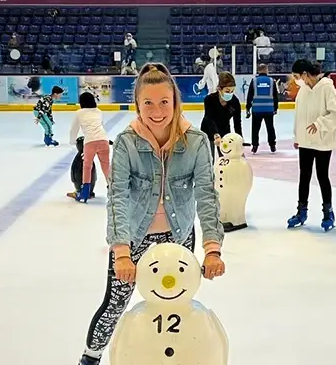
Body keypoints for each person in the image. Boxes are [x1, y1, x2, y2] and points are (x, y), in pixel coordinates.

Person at [77, 63, 225, 365]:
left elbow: (206, 195)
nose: (156, 111)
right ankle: (90, 359)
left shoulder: (196, 142)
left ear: (175, 102)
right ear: (137, 105)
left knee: (176, 303)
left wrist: (212, 249)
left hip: (179, 233)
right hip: (133, 235)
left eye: (164, 102)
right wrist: (121, 252)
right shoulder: (125, 144)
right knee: (115, 304)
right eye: (148, 103)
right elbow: (117, 196)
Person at [286, 59, 336, 232]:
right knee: (304, 176)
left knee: (322, 176)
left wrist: (319, 124)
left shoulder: (326, 87)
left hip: (323, 141)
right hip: (305, 141)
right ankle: (301, 211)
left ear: (304, 74)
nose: (295, 80)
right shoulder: (303, 90)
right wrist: (297, 135)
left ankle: (328, 213)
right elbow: (299, 114)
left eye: (297, 76)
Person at [69, 92, 111, 202]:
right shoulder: (99, 112)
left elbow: (74, 129)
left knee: (87, 167)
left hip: (90, 141)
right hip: (103, 140)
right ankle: (113, 189)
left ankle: (85, 192)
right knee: (106, 166)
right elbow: (101, 126)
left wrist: (72, 141)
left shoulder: (79, 113)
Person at [201, 72, 243, 158]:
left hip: (224, 131)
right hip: (209, 130)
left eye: (232, 91)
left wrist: (240, 141)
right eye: (227, 91)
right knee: (209, 159)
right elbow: (209, 118)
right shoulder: (209, 99)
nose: (230, 93)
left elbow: (237, 123)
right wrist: (215, 134)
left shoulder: (235, 102)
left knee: (225, 158)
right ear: (219, 89)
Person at [246, 63, 278, 153]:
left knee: (255, 128)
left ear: (258, 70)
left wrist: (248, 108)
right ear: (266, 70)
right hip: (269, 109)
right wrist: (275, 108)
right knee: (270, 127)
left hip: (257, 109)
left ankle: (255, 146)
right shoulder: (272, 81)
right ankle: (272, 145)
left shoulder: (254, 81)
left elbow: (250, 96)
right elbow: (275, 96)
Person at [68, 137, 98, 202]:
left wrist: (73, 179)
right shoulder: (88, 157)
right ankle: (90, 191)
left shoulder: (78, 158)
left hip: (81, 184)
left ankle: (79, 191)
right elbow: (93, 173)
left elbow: (74, 173)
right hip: (90, 184)